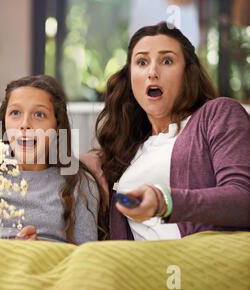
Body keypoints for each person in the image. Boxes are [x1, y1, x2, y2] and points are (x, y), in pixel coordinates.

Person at [95, 22, 250, 240]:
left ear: (188, 73)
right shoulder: (128, 149)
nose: (152, 72)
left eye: (167, 61)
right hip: (140, 266)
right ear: (130, 78)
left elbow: (244, 199)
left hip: (197, 261)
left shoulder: (218, 114)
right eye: (141, 62)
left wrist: (164, 202)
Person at [0, 75, 108, 247]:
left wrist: (39, 250)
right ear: (4, 124)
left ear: (57, 126)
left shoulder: (80, 183)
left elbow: (86, 258)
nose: (24, 124)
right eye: (15, 113)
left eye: (39, 114)